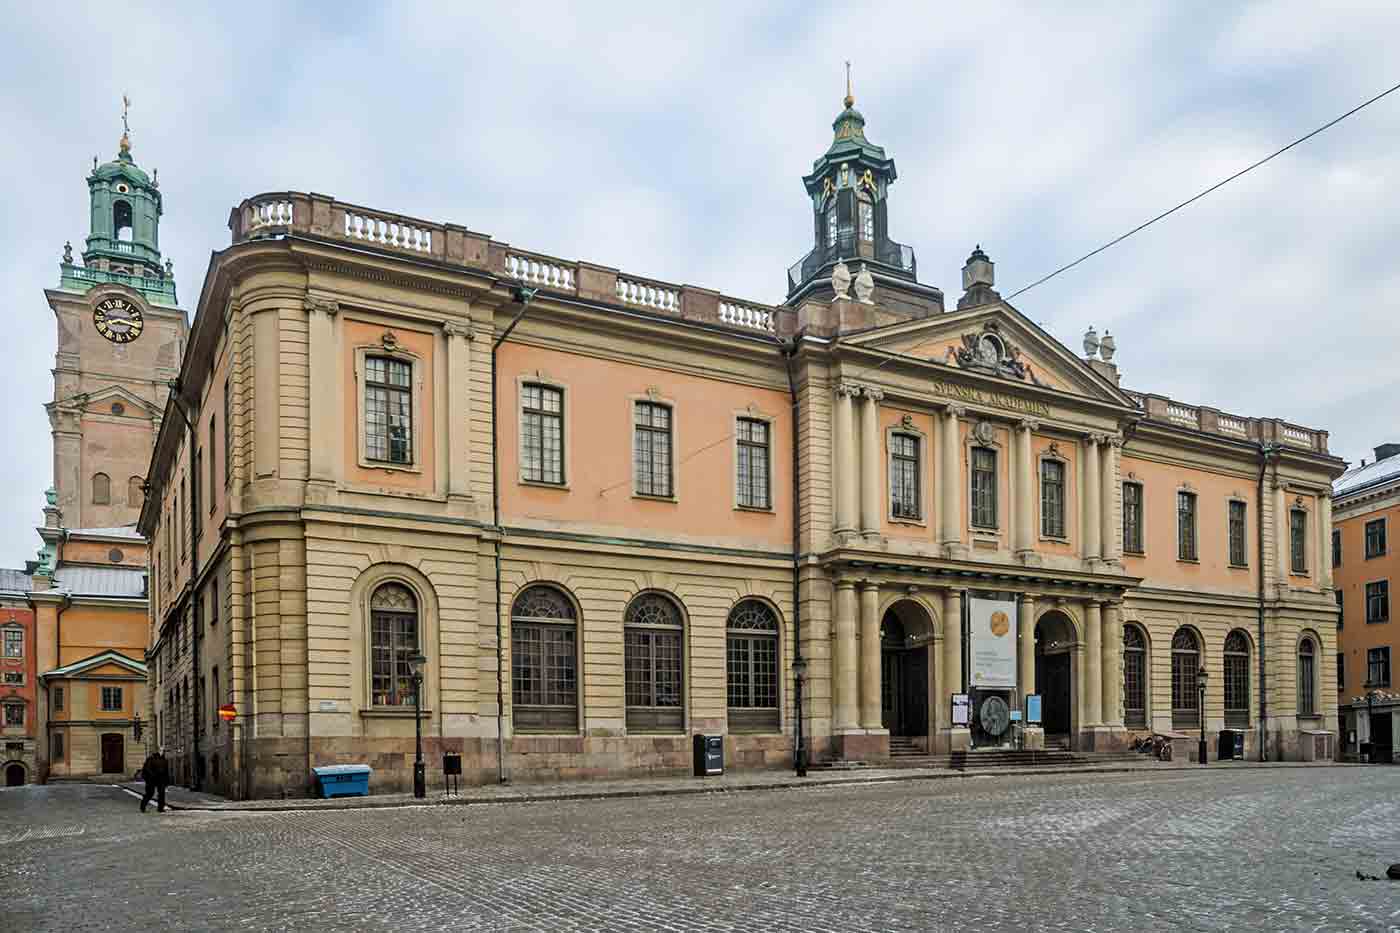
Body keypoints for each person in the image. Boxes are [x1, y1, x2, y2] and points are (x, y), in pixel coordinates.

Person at [139, 747, 170, 813]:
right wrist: (153, 775)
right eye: (161, 750)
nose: (162, 752)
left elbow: (166, 771)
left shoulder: (164, 759)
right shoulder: (151, 758)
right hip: (151, 779)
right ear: (158, 751)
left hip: (161, 779)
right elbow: (147, 768)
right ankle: (143, 807)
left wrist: (167, 781)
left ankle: (160, 808)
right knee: (149, 793)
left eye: (163, 751)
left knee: (161, 793)